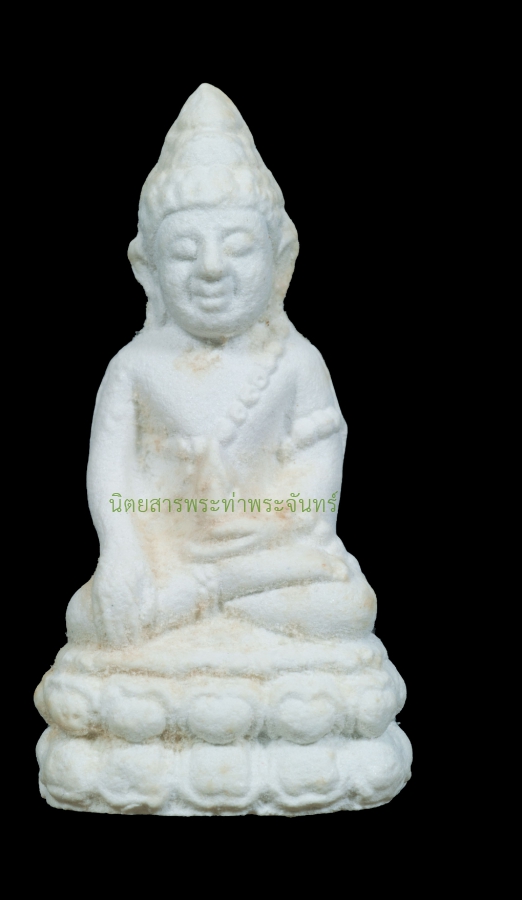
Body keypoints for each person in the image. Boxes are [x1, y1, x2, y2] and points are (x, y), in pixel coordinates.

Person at [66, 84, 376, 647]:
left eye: (238, 247)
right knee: (93, 616)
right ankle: (205, 600)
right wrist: (121, 553)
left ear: (280, 260)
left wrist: (273, 525)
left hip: (270, 556)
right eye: (184, 252)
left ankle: (205, 597)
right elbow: (110, 474)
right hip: (169, 558)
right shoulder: (135, 366)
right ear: (147, 268)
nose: (211, 268)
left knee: (346, 607)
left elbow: (318, 474)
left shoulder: (297, 362)